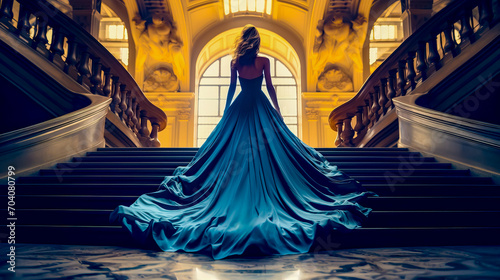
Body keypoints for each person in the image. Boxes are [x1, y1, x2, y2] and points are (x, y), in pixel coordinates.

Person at [110, 25, 374, 260]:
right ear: (257, 43)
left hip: (241, 107)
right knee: (271, 149)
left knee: (232, 152)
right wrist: (278, 111)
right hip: (259, 106)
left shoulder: (235, 61)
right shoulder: (264, 62)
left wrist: (227, 112)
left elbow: (230, 88)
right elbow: (269, 88)